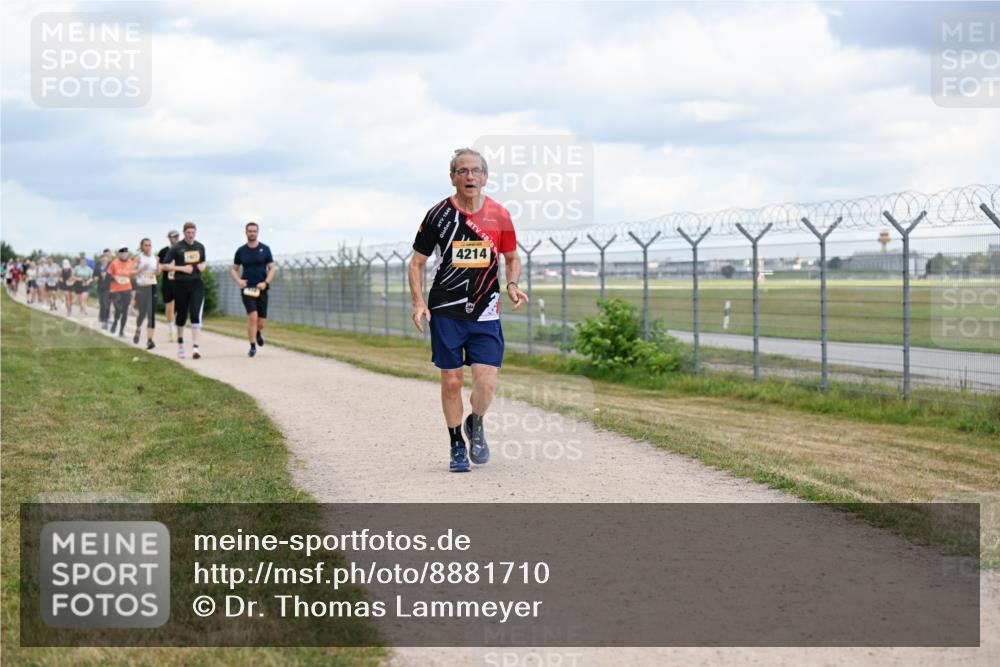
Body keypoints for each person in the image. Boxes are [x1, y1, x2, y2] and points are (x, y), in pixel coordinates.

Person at [408, 148, 528, 472]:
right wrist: (418, 302)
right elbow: (416, 263)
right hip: (446, 310)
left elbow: (511, 257)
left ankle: (475, 421)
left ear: (485, 177)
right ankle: (456, 444)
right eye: (462, 171)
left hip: (485, 311)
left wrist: (512, 284)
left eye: (475, 171)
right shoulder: (437, 215)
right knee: (451, 381)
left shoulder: (500, 215)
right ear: (452, 178)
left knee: (486, 383)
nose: (469, 176)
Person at [161, 222, 207, 359]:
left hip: (196, 284)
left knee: (195, 314)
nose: (191, 235)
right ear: (184, 233)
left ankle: (195, 348)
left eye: (193, 232)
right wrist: (182, 268)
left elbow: (203, 261)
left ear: (195, 232)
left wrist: (203, 266)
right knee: (181, 316)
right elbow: (165, 266)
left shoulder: (200, 246)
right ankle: (180, 345)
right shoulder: (177, 247)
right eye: (188, 233)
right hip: (180, 285)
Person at [230, 221, 276, 358]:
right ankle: (252, 346)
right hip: (247, 289)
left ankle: (257, 332)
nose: (252, 233)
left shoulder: (265, 249)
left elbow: (272, 268)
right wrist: (239, 281)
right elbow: (233, 269)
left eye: (254, 231)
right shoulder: (241, 251)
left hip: (261, 289)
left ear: (257, 232)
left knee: (261, 323)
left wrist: (265, 282)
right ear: (246, 232)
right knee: (253, 317)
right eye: (250, 231)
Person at [131, 238, 160, 349]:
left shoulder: (154, 258)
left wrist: (158, 266)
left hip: (152, 287)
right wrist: (141, 269)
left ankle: (149, 340)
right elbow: (131, 273)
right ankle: (138, 328)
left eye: (149, 245)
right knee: (142, 314)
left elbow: (157, 273)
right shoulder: (139, 258)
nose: (148, 247)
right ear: (142, 246)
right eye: (146, 245)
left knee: (151, 314)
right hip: (141, 288)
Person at [158, 230, 180, 342]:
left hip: (180, 281)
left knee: (178, 306)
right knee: (169, 306)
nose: (175, 238)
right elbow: (159, 265)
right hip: (168, 281)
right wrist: (168, 267)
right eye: (173, 237)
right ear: (169, 238)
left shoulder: (182, 249)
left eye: (177, 236)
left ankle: (175, 327)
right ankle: (171, 328)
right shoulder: (164, 251)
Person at [107, 247, 134, 336]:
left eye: (125, 252)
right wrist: (115, 277)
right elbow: (108, 276)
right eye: (122, 253)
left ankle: (121, 331)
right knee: (118, 308)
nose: (124, 254)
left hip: (127, 289)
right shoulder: (114, 263)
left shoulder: (131, 263)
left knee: (125, 311)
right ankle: (115, 322)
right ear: (119, 254)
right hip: (116, 290)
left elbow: (133, 275)